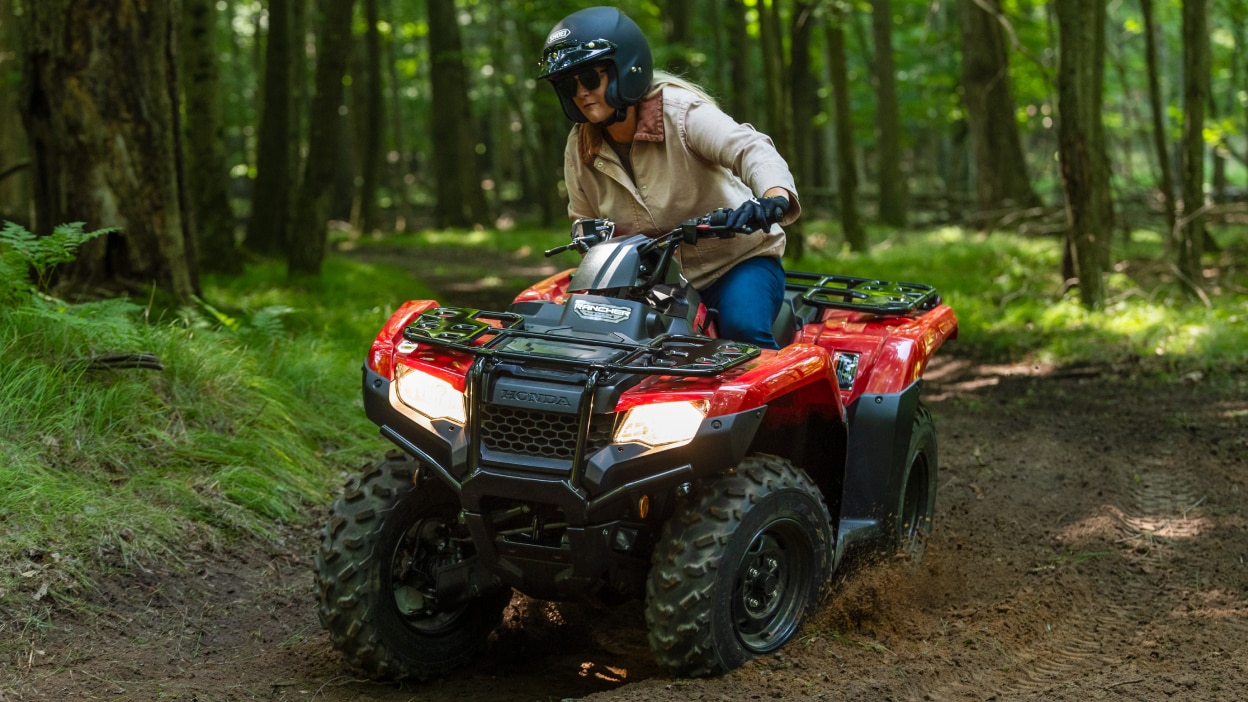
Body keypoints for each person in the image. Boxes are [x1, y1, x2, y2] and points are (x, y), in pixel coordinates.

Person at [537, 6, 801, 350]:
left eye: (590, 79)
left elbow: (750, 149)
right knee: (602, 343)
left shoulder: (680, 113)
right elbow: (585, 222)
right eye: (569, 84)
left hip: (736, 263)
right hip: (655, 281)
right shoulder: (580, 146)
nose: (581, 92)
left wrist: (773, 198)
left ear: (627, 69)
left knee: (742, 333)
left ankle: (769, 402)